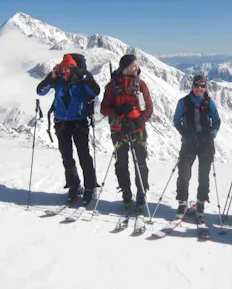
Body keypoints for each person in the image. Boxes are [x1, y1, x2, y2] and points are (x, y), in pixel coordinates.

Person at [36, 53, 100, 203]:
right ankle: (74, 185)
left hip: (79, 122)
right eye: (62, 69)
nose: (64, 73)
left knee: (84, 155)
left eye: (67, 70)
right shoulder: (57, 80)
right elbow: (40, 91)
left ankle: (90, 187)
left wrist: (84, 76)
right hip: (62, 123)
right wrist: (51, 77)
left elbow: (95, 91)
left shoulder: (81, 79)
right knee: (67, 157)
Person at [100, 54, 154, 213]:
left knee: (141, 163)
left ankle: (141, 194)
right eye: (133, 65)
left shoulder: (141, 85)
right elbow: (103, 108)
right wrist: (117, 111)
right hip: (119, 130)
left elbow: (149, 108)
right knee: (121, 164)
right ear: (124, 67)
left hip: (137, 129)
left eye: (136, 65)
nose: (136, 67)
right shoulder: (112, 87)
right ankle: (126, 194)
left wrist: (138, 121)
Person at [173, 74, 221, 220]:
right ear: (192, 86)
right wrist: (185, 134)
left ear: (205, 87)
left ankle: (200, 203)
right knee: (184, 174)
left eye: (202, 86)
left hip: (206, 144)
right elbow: (176, 120)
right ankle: (182, 203)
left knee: (204, 176)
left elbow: (217, 121)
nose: (199, 89)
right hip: (189, 143)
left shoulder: (209, 103)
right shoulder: (184, 102)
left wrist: (212, 134)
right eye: (196, 86)